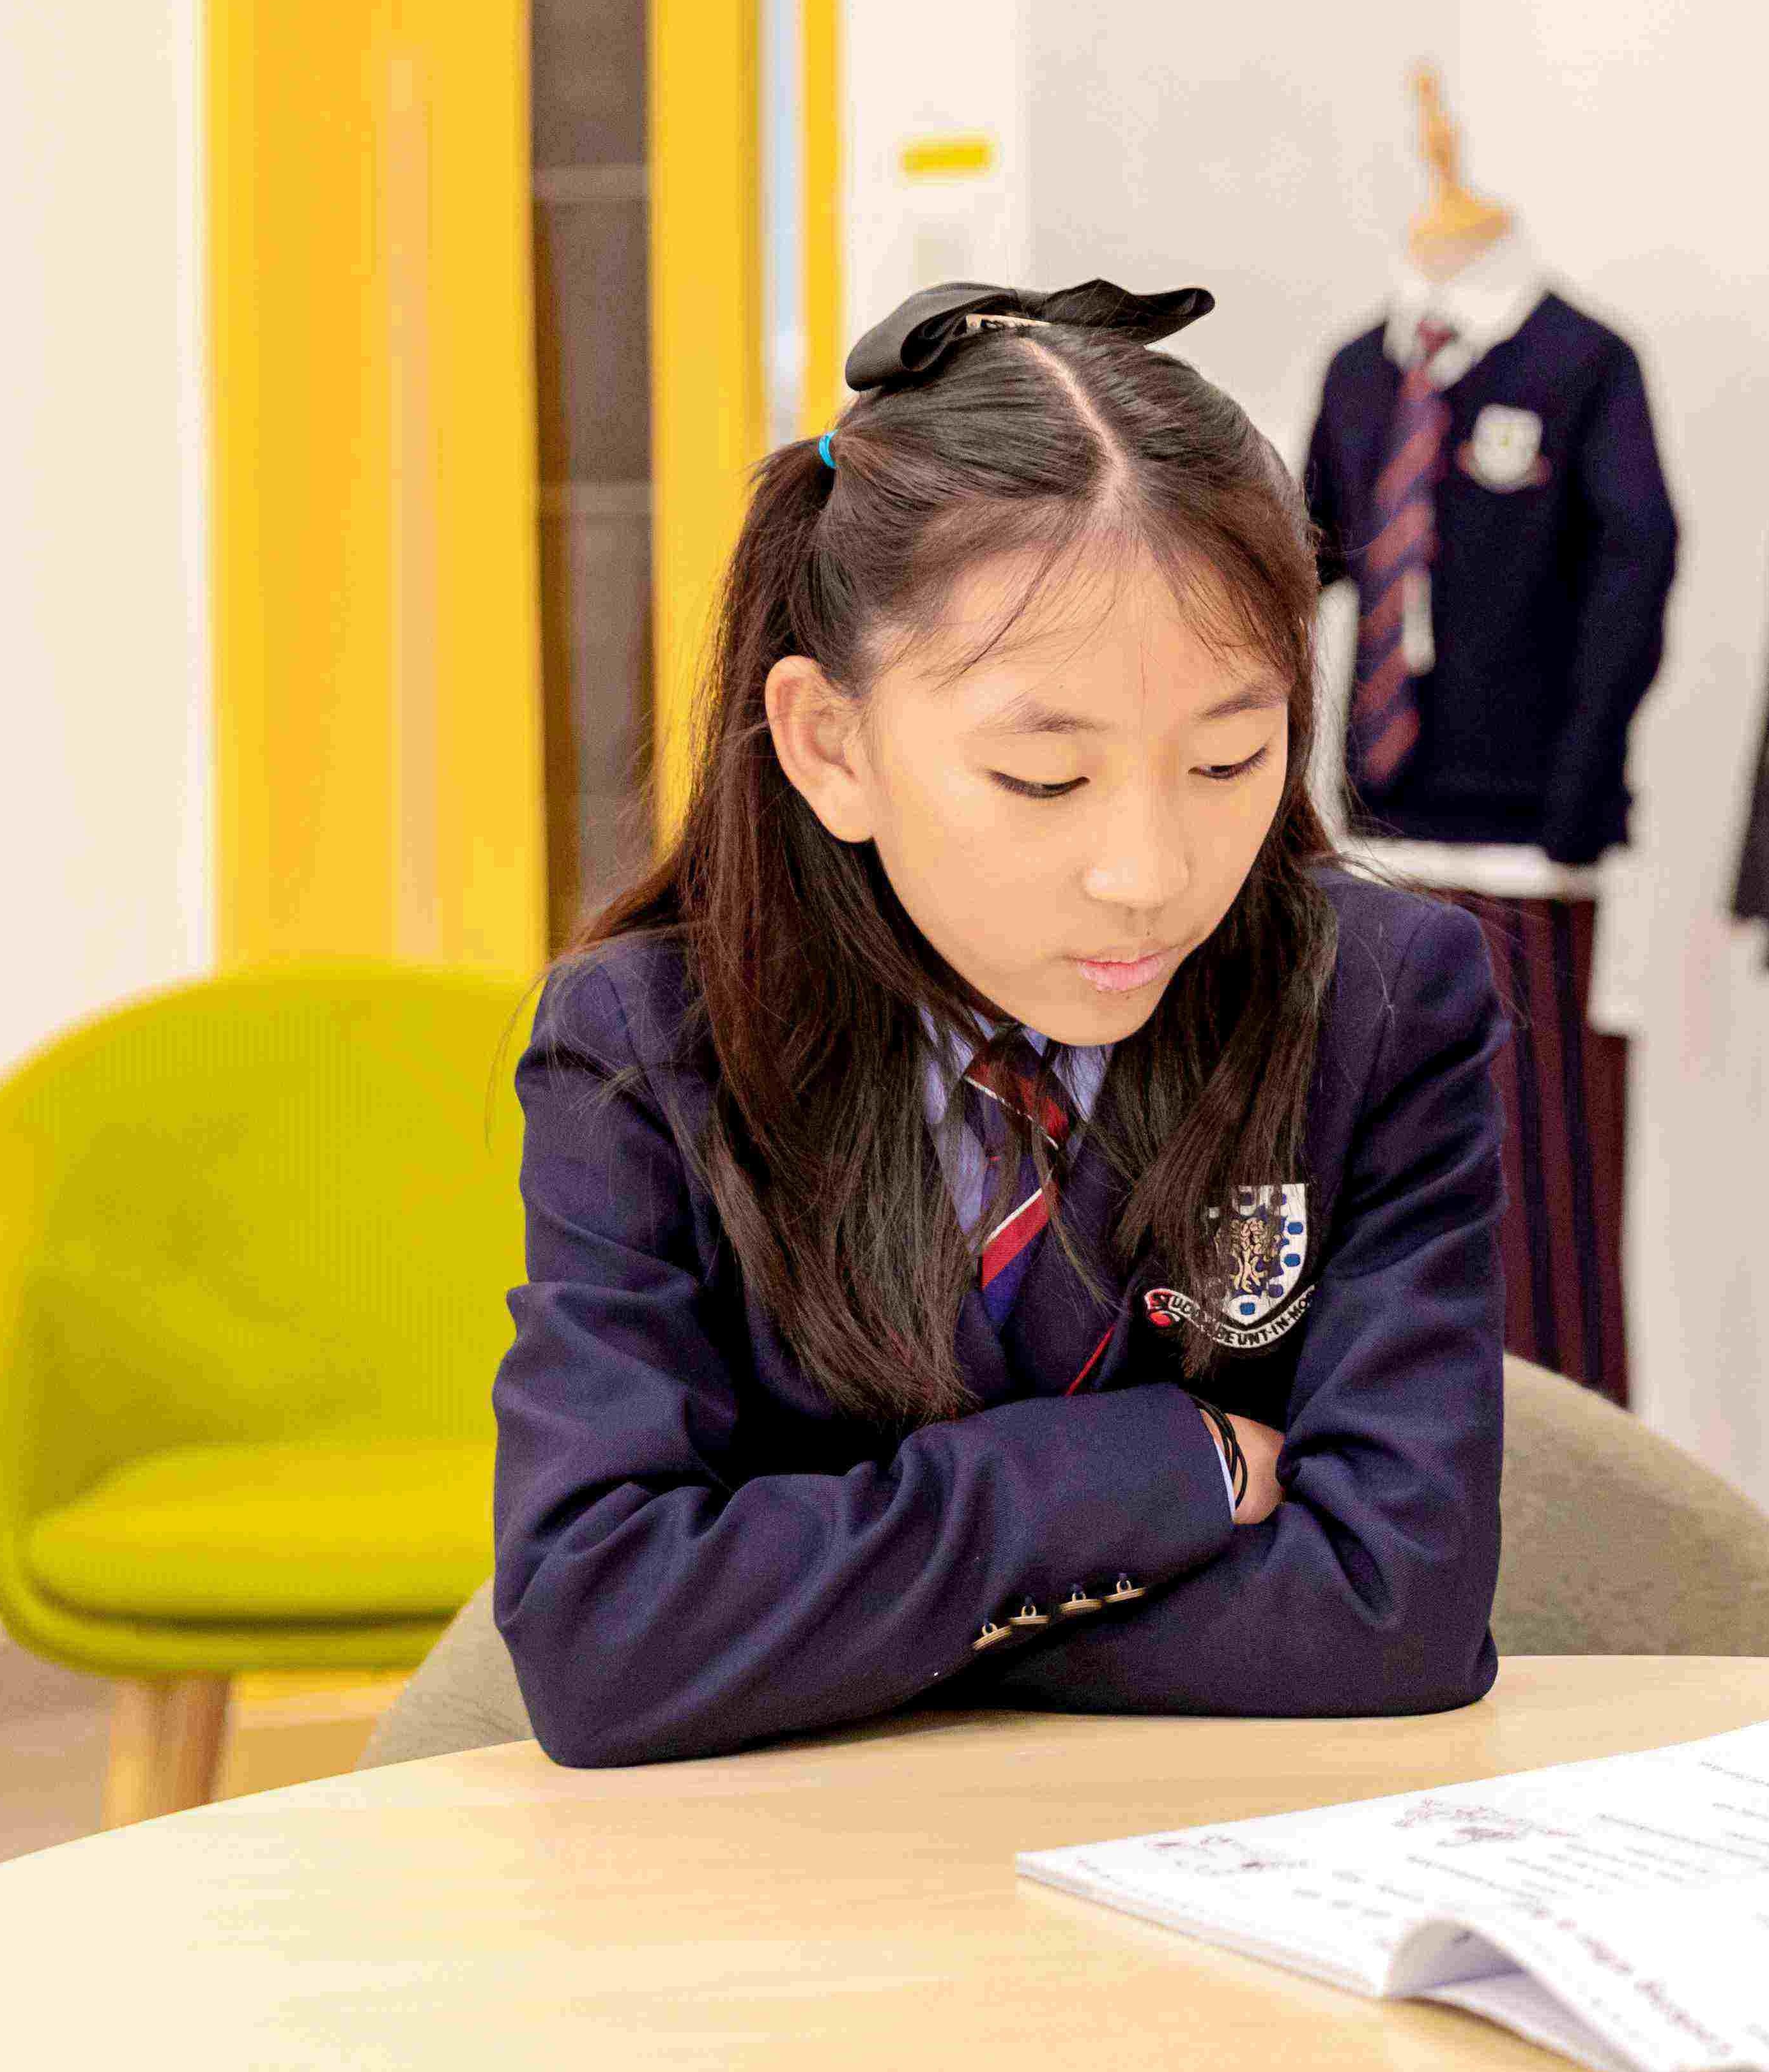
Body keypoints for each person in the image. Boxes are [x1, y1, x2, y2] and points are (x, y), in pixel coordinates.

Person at [491, 278, 1508, 1768]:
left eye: (1231, 759)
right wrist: (1160, 1466)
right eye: (1046, 780)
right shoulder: (647, 1046)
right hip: (796, 1879)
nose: (1148, 873)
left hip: (1219, 1850)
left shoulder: (1380, 999)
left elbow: (1396, 1609)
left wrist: (821, 1628)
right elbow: (605, 1636)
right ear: (831, 744)